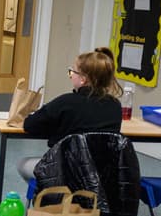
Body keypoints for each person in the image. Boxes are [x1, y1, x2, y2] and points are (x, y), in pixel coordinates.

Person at [18, 46, 123, 180]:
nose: (70, 75)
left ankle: (49, 198)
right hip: (102, 174)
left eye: (72, 72)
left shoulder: (65, 102)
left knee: (23, 164)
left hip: (66, 171)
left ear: (83, 79)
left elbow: (29, 125)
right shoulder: (115, 105)